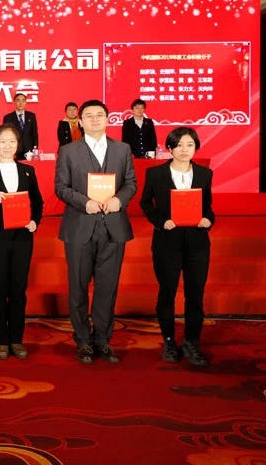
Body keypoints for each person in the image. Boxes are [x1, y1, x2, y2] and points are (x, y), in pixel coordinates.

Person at [55, 100, 136, 365]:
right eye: (88, 116)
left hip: (113, 226)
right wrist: (84, 202)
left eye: (100, 115)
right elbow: (61, 187)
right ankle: (82, 340)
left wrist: (119, 200)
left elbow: (130, 183)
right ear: (80, 121)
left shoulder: (122, 149)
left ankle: (102, 338)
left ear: (107, 119)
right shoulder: (68, 151)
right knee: (78, 287)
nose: (94, 119)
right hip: (80, 225)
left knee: (107, 287)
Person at [140, 126, 214, 366]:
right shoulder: (155, 173)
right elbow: (145, 203)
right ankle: (170, 341)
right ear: (170, 148)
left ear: (195, 148)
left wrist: (208, 219)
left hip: (197, 243)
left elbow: (208, 207)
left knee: (195, 294)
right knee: (167, 292)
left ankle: (192, 341)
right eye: (179, 145)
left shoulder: (205, 173)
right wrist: (161, 221)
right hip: (167, 241)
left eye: (189, 145)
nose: (184, 150)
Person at [0, 125, 44, 359]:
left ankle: (16, 339)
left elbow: (37, 201)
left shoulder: (28, 171)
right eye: (2, 141)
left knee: (18, 287)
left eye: (11, 141)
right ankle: (1, 340)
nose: (7, 146)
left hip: (23, 237)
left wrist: (35, 221)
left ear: (17, 144)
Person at [2, 93, 39, 158]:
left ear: (25, 102)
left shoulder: (31, 116)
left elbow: (34, 133)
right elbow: (6, 135)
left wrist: (35, 149)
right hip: (14, 149)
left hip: (29, 150)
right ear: (14, 102)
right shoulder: (8, 117)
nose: (21, 103)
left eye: (23, 100)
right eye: (18, 100)